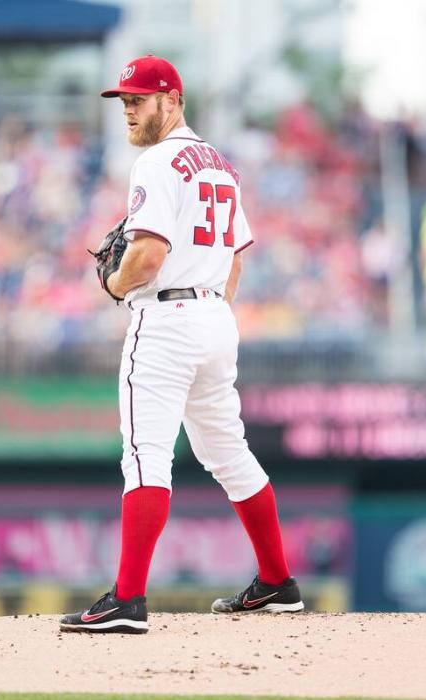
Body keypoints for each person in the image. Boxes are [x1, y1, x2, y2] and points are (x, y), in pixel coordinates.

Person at [59, 55, 303, 635]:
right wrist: (211, 308)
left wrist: (116, 286)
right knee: (228, 453)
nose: (129, 111)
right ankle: (277, 582)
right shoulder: (219, 163)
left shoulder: (157, 161)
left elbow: (145, 257)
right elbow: (237, 256)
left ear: (172, 100)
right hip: (215, 316)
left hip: (166, 319)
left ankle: (127, 599)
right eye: (124, 102)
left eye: (138, 100)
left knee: (145, 455)